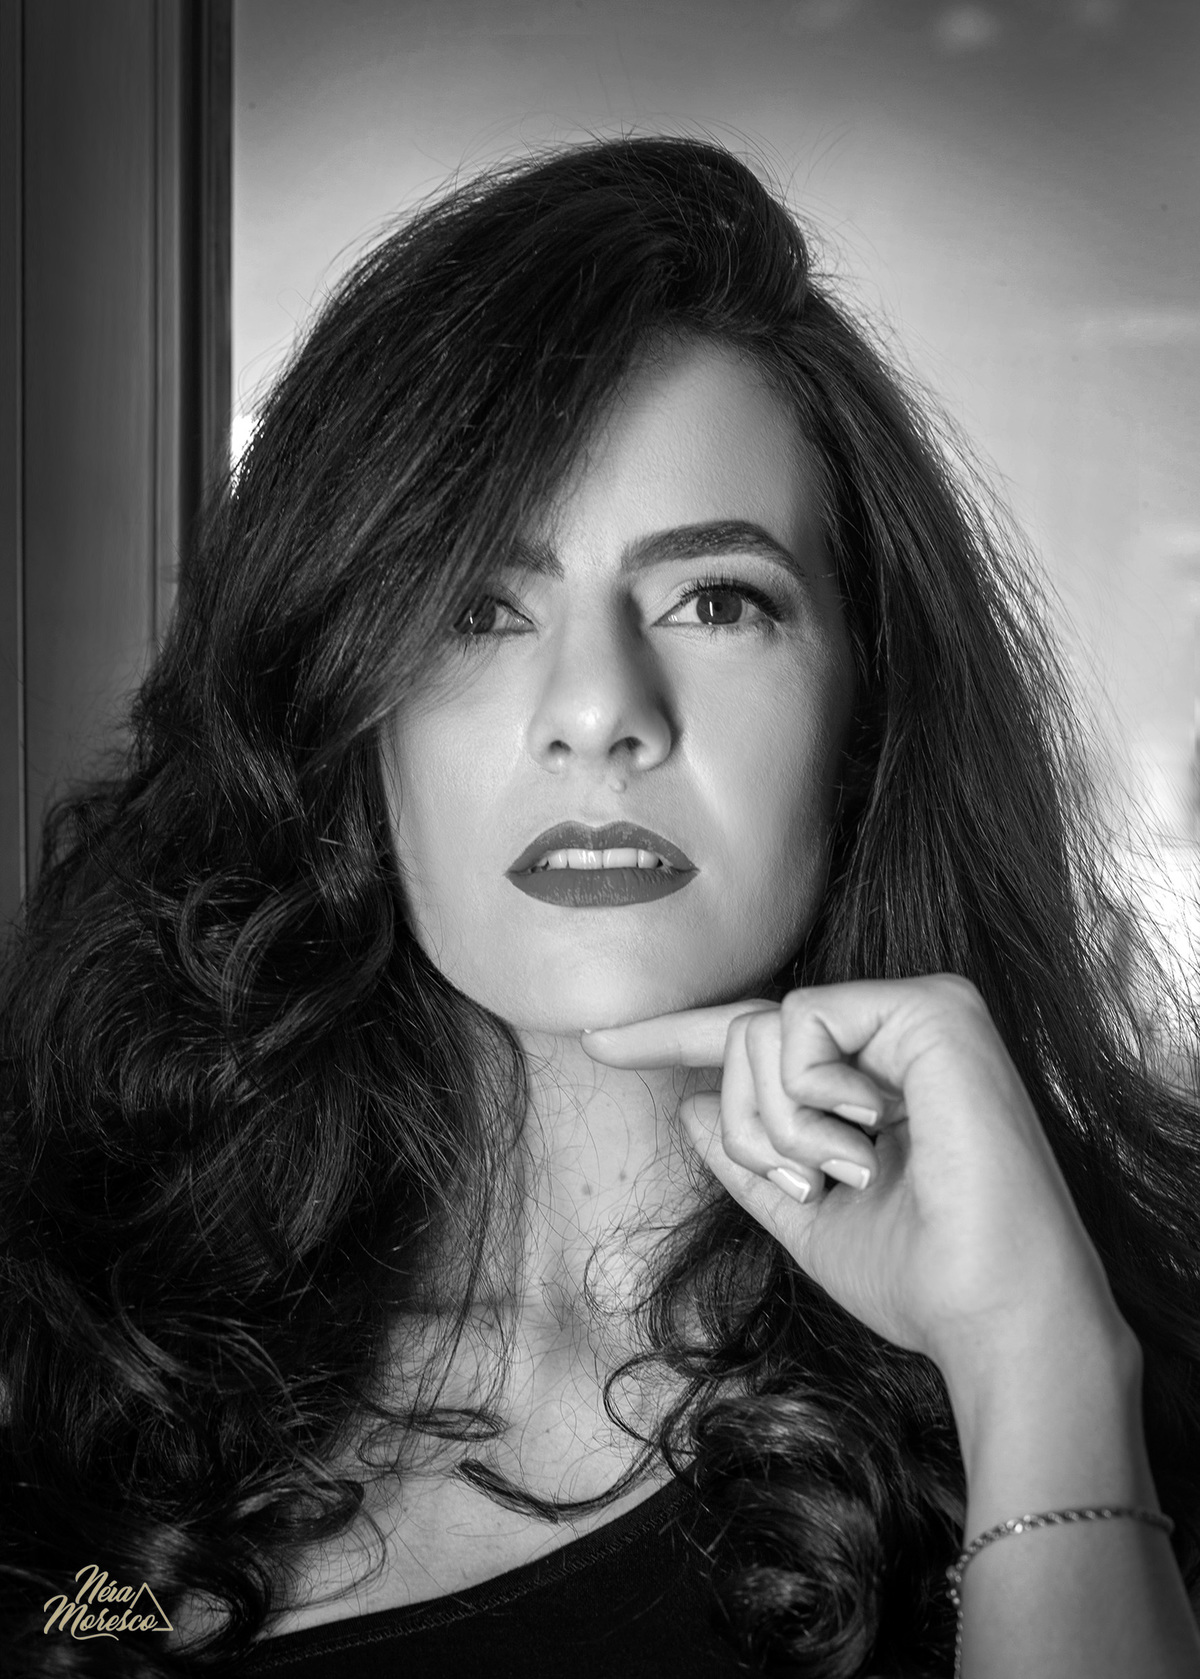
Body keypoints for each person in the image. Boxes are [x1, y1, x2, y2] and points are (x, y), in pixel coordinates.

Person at [2, 135, 1199, 1679]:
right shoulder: (69, 1336)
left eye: (716, 600)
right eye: (476, 607)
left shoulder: (1092, 1372)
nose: (596, 712)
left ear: (866, 704)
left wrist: (1039, 1364)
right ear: (348, 710)